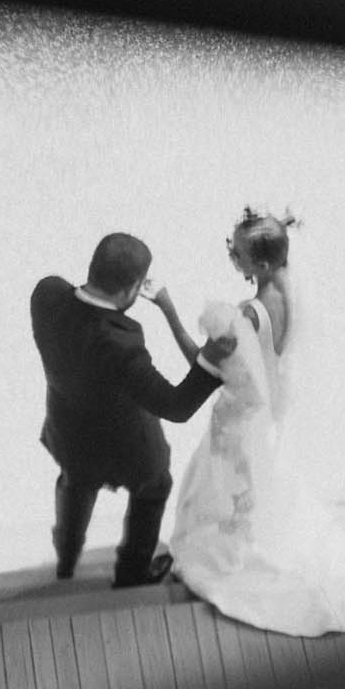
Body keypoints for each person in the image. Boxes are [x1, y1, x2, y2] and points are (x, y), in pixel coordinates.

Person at [168, 209, 345, 636]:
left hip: (237, 417)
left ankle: (227, 555)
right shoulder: (290, 292)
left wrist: (167, 309)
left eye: (237, 253)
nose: (232, 257)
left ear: (262, 264)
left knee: (220, 491)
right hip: (266, 413)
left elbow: (202, 364)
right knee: (248, 488)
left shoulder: (244, 316)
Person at [31, 232, 232, 587]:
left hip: (69, 432)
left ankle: (66, 555)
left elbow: (74, 300)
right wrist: (212, 361)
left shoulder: (46, 295)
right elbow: (177, 406)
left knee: (75, 482)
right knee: (155, 485)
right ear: (132, 289)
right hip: (125, 447)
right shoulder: (120, 341)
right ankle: (132, 573)